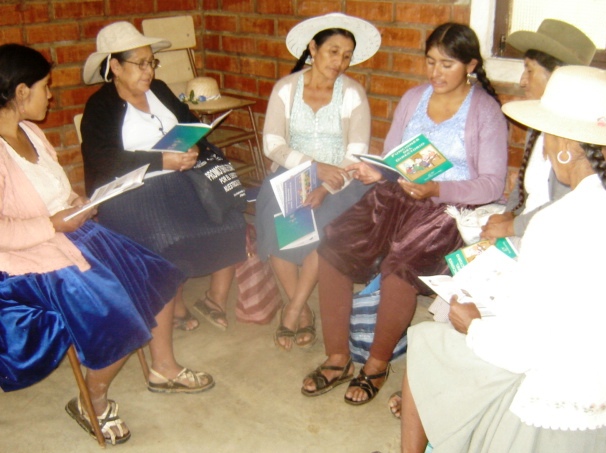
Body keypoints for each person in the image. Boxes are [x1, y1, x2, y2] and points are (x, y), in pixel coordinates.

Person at [401, 65, 606, 453]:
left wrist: (473, 325)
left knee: (427, 341)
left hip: (561, 402)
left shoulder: (557, 222)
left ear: (565, 144)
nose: (543, 146)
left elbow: (520, 349)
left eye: (547, 135)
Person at [0, 44, 214, 445]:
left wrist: (75, 203)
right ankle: (92, 401)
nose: (52, 95)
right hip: (26, 260)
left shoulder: (30, 131)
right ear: (21, 92)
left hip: (65, 233)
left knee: (154, 275)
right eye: (46, 87)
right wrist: (52, 223)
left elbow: (52, 191)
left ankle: (161, 368)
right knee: (116, 313)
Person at [301, 23, 508, 405]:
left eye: (447, 65)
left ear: (471, 66)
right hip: (398, 195)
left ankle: (376, 366)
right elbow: (392, 158)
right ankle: (337, 357)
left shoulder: (485, 112)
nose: (435, 73)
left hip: (447, 208)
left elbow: (493, 184)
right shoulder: (414, 98)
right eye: (430, 62)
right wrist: (374, 171)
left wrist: (436, 188)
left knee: (402, 267)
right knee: (335, 244)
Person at [81, 21, 247, 332]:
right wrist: (161, 161)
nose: (149, 71)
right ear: (115, 66)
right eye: (140, 63)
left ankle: (214, 298)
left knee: (232, 220)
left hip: (180, 179)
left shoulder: (158, 90)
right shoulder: (100, 106)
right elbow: (103, 160)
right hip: (131, 192)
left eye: (151, 63)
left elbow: (189, 123)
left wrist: (195, 147)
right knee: (169, 237)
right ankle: (176, 302)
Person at [256, 13, 380, 351]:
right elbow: (273, 144)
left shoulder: (353, 94)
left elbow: (356, 154)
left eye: (347, 55)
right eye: (333, 52)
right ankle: (303, 311)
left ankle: (293, 308)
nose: (340, 62)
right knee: (277, 219)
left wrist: (325, 185)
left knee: (320, 227)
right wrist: (312, 167)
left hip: (342, 180)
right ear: (313, 48)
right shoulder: (286, 88)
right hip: (292, 172)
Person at [481, 19, 596, 243]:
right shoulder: (538, 123)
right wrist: (508, 213)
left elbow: (564, 207)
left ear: (557, 76)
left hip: (555, 240)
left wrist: (510, 227)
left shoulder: (579, 138)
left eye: (529, 70)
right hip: (527, 232)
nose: (522, 81)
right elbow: (524, 185)